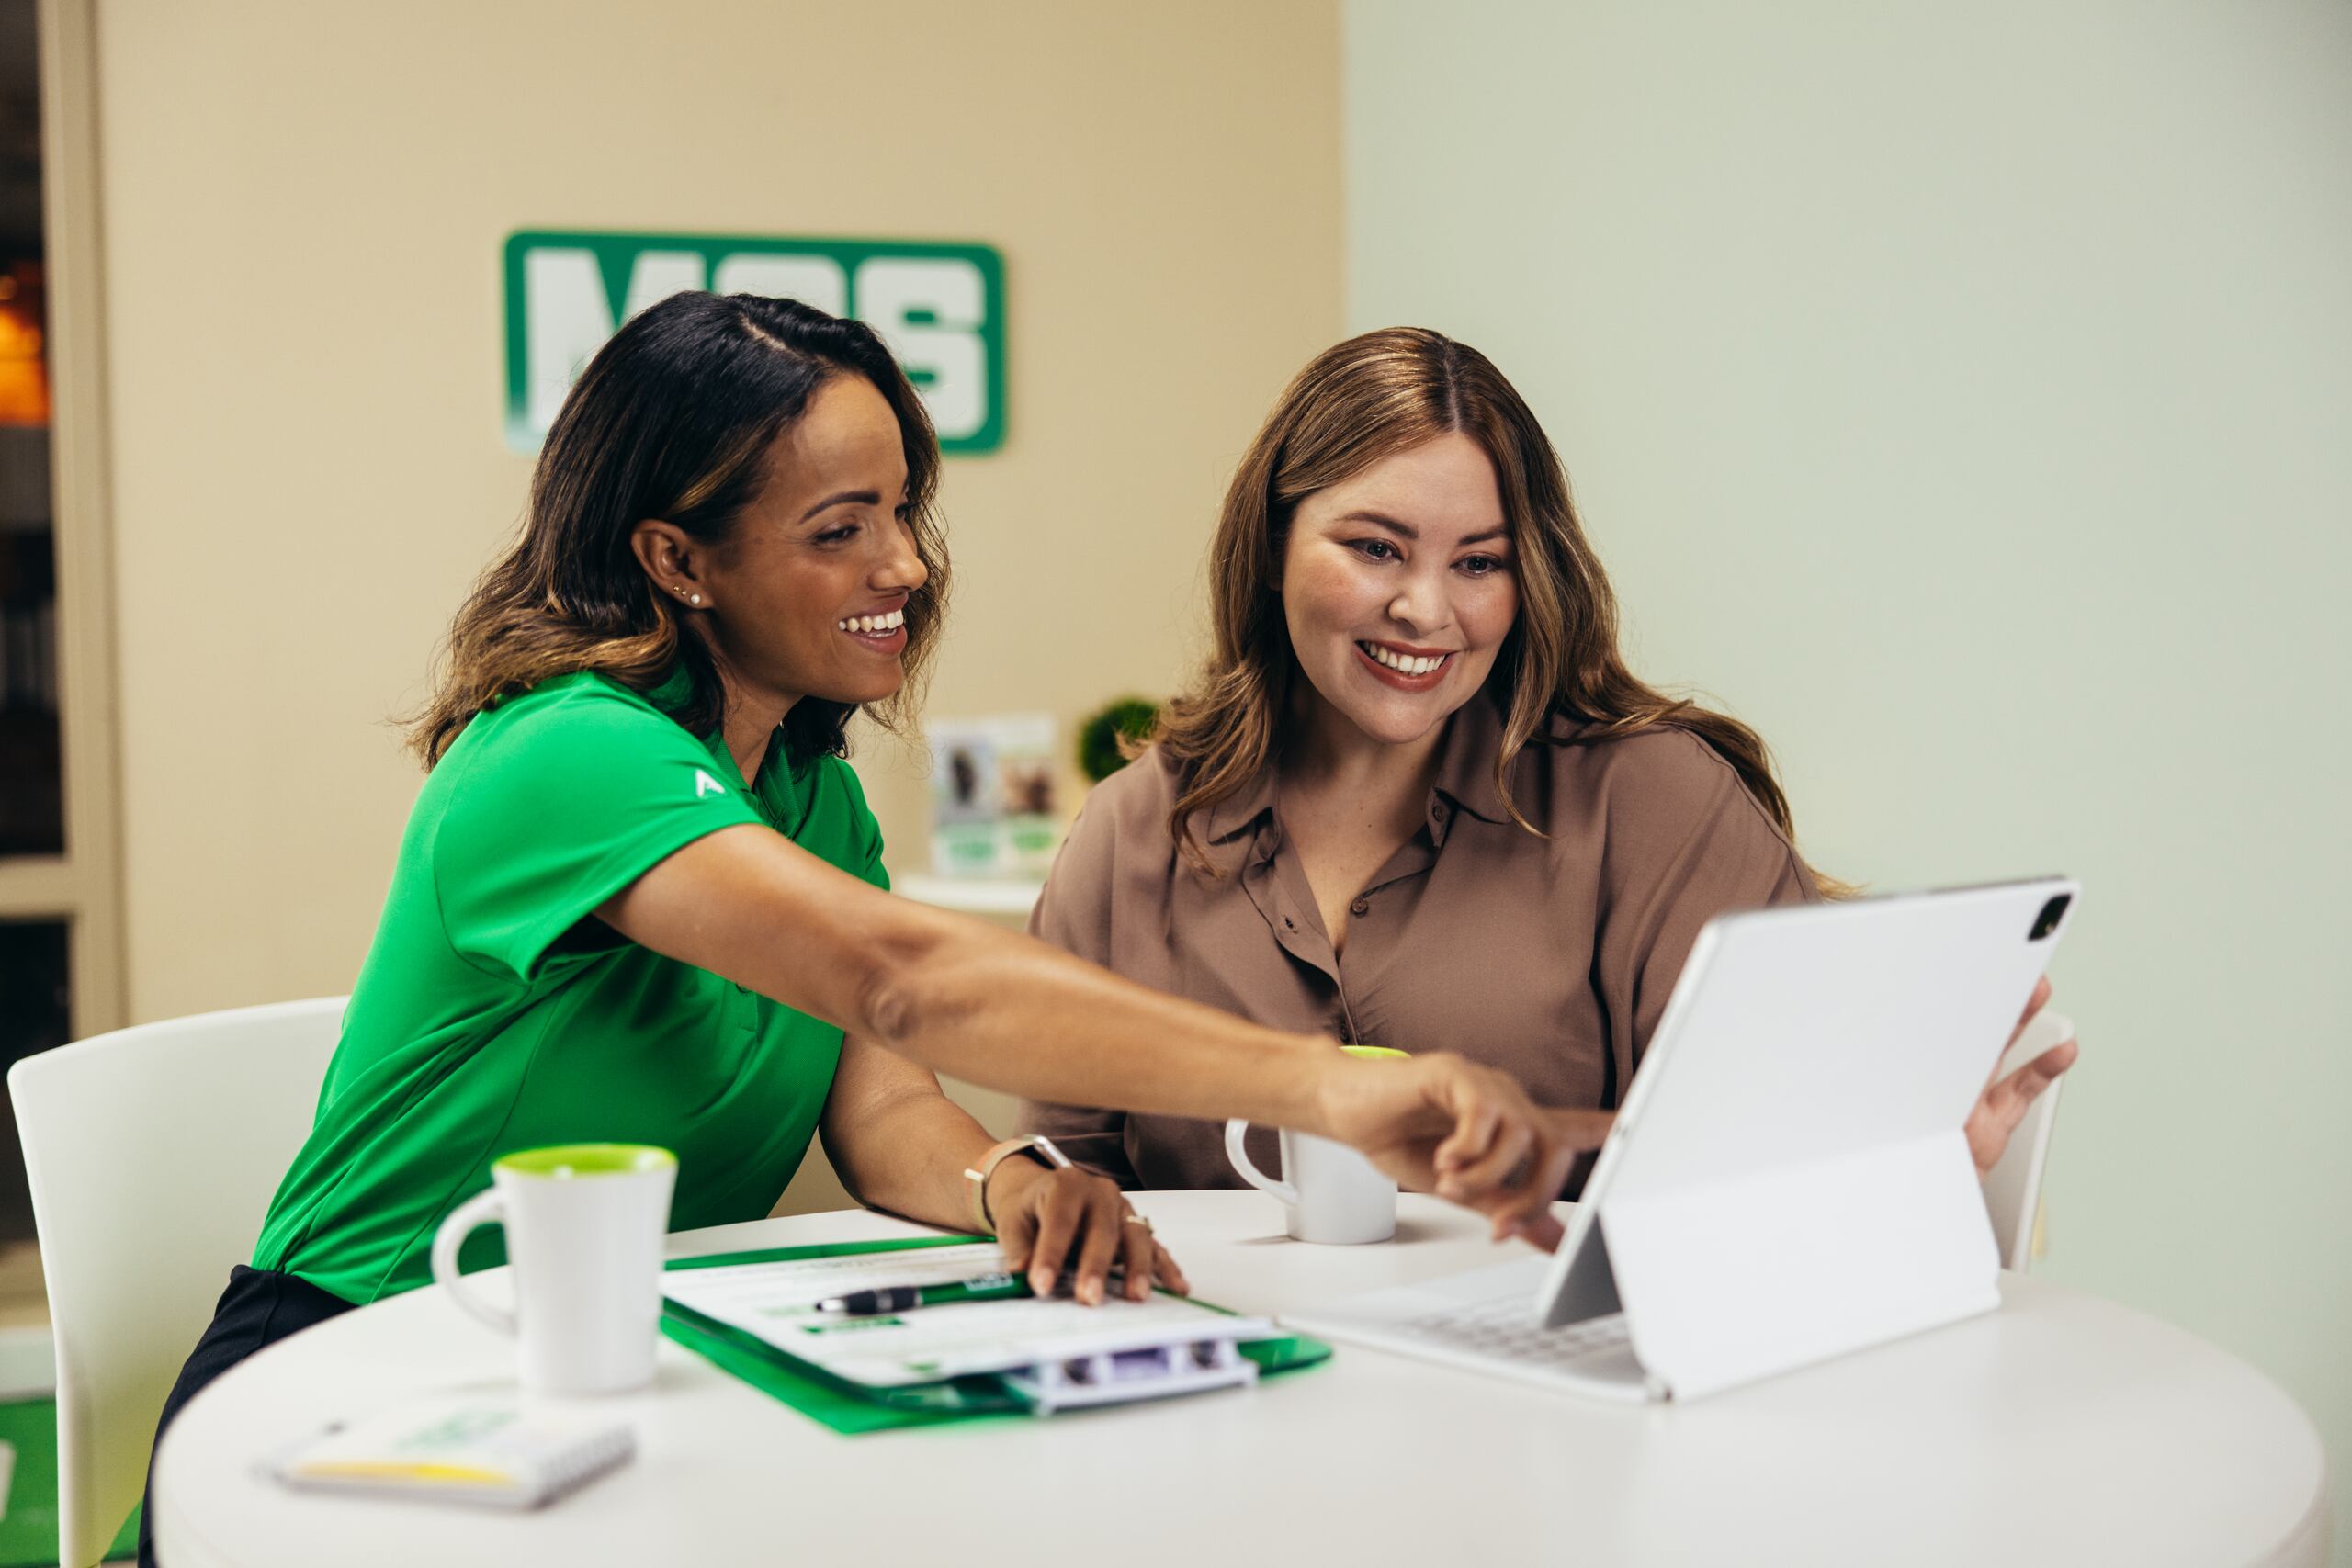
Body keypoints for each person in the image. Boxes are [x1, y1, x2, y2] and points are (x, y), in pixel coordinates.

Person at [140, 299, 1603, 1567]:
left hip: (592, 1393)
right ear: (677, 557)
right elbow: (904, 981)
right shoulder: (560, 757)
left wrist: (1001, 1178)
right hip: (361, 1377)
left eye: (904, 510)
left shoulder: (804, 789)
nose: (903, 564)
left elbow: (875, 1086)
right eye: (840, 531)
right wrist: (1327, 1086)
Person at [1020, 327, 2075, 1190]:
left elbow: (1769, 1157)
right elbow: (1066, 1180)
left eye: (1479, 563)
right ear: (1274, 543)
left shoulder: (1652, 801)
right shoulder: (1130, 832)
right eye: (1374, 547)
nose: (1426, 610)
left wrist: (1909, 1161)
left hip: (1574, 1411)